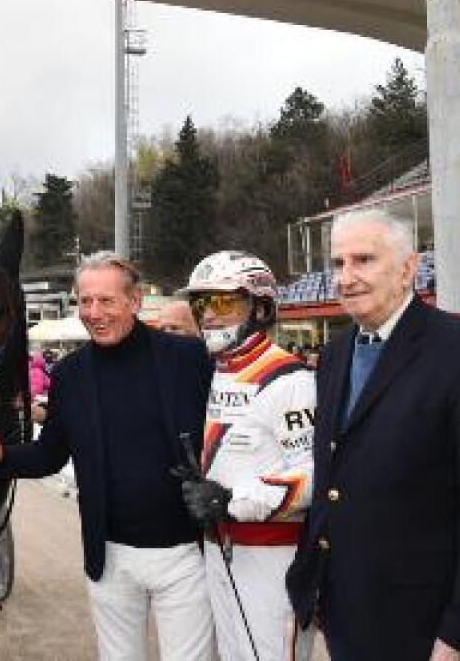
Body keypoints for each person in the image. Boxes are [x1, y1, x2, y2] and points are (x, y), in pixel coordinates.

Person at [0, 252, 214, 660]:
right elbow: (51, 454)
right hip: (110, 556)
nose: (95, 313)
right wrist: (1, 457)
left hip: (185, 554)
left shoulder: (187, 359)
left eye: (106, 301)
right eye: (85, 301)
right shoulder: (69, 375)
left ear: (134, 301)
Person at [286, 209, 460, 661]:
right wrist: (307, 586)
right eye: (337, 263)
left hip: (426, 627)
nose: (346, 277)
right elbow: (333, 480)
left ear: (408, 268)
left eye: (363, 260)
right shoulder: (333, 356)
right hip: (346, 616)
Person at [178, 251, 316, 661]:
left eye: (224, 302)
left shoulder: (291, 379)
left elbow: (315, 474)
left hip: (274, 555)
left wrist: (230, 500)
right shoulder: (216, 369)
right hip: (219, 548)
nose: (210, 315)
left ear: (260, 307)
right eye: (201, 304)